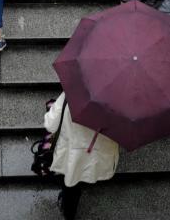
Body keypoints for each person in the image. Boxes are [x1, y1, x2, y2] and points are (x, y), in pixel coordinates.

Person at [44, 92, 120, 220]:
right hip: (95, 156)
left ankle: (68, 212)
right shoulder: (118, 104)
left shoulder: (71, 95)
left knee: (70, 183)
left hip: (72, 155)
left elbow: (50, 124)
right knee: (81, 177)